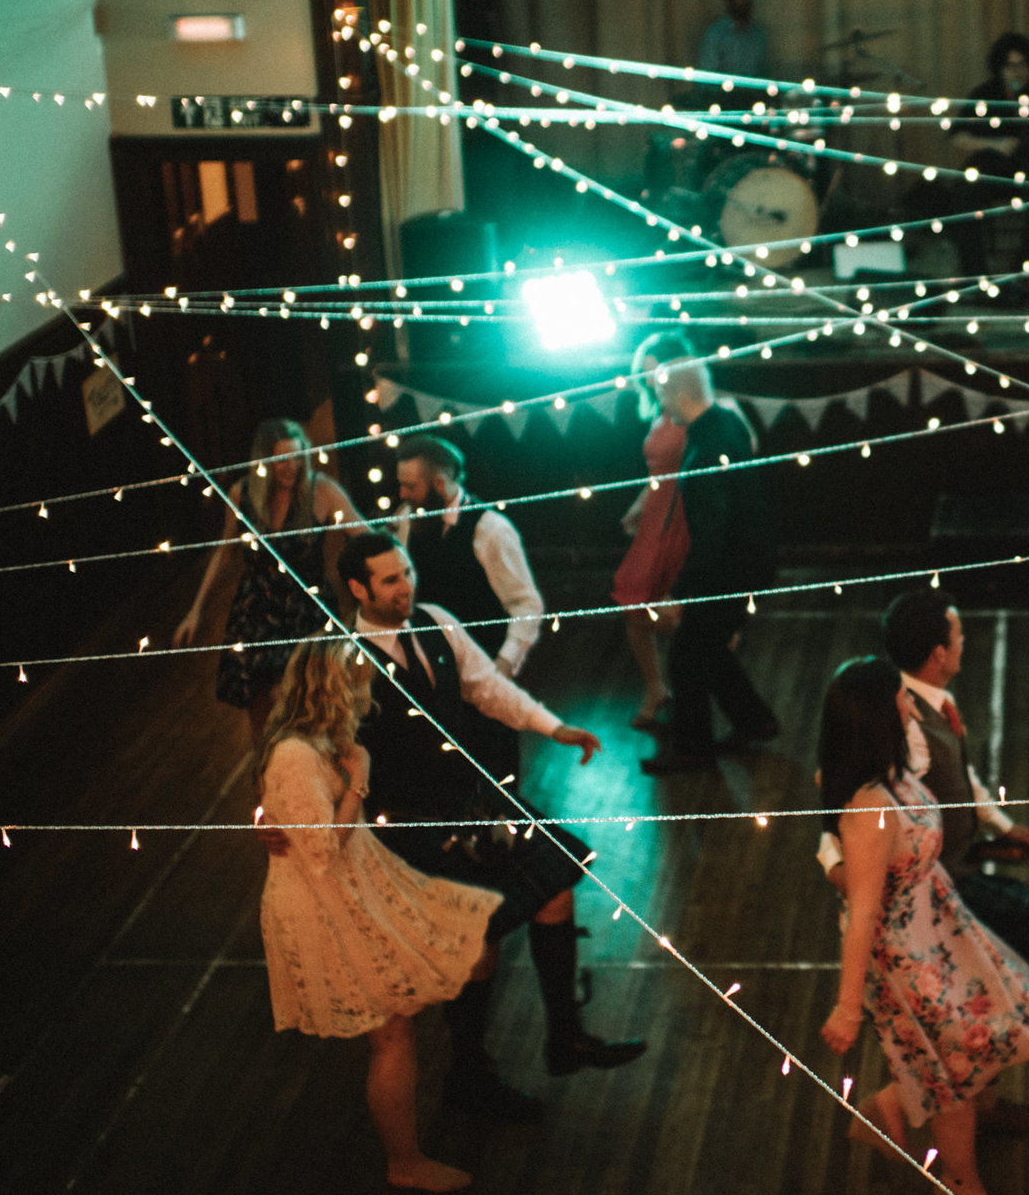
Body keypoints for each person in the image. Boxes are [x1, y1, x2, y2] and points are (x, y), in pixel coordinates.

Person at [333, 530, 645, 1117]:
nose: (407, 587)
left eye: (407, 572)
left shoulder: (436, 620)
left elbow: (486, 687)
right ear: (358, 588)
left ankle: (565, 1036)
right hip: (410, 822)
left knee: (555, 889)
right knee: (478, 945)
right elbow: (327, 747)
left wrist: (555, 728)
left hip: (471, 797)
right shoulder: (342, 657)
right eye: (391, 579)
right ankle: (470, 1076)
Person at [817, 657, 1029, 1195]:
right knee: (953, 1074)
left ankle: (887, 1112)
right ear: (881, 716)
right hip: (905, 956)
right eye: (901, 700)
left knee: (981, 1043)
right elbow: (862, 912)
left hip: (937, 928)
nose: (911, 705)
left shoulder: (895, 773)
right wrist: (848, 1004)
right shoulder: (871, 808)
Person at [255, 635, 500, 1190]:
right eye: (362, 684)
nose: (370, 695)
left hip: (355, 886)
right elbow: (320, 850)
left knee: (467, 951)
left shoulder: (318, 739)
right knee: (392, 1033)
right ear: (337, 687)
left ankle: (458, 1088)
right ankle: (405, 1162)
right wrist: (359, 778)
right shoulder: (299, 752)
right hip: (324, 902)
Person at [173, 417, 360, 751]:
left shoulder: (323, 491)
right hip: (257, 612)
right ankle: (268, 788)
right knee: (263, 716)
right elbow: (224, 553)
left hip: (309, 612)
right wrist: (195, 612)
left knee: (316, 707)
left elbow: (364, 538)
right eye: (281, 460)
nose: (292, 467)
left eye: (298, 457)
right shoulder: (242, 494)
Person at [646, 358, 779, 775]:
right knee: (709, 648)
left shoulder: (704, 453)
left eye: (663, 393)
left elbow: (710, 538)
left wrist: (680, 593)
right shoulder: (727, 421)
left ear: (682, 395)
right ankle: (756, 721)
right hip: (752, 560)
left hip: (731, 569)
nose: (661, 402)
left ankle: (692, 751)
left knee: (686, 657)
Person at [393, 436, 544, 677]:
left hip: (481, 667)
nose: (401, 494)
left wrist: (504, 665)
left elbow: (527, 604)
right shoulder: (405, 520)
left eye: (410, 486)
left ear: (439, 484)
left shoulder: (491, 530)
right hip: (428, 665)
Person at [943, 32, 1029, 277]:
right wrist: (993, 143)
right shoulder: (985, 94)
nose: (1017, 72)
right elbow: (957, 136)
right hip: (993, 167)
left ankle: (1022, 271)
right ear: (1000, 67)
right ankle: (974, 272)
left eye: (1023, 65)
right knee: (963, 194)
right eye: (1011, 66)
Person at [614, 333, 696, 731]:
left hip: (681, 519)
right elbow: (656, 476)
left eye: (655, 373)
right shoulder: (659, 411)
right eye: (644, 374)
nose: (648, 381)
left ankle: (708, 662)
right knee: (634, 605)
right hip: (655, 517)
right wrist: (637, 508)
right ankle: (656, 687)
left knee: (666, 607)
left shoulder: (694, 413)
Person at [696, 0, 770, 81]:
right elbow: (706, 80)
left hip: (755, 97)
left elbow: (766, 77)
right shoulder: (715, 35)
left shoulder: (759, 36)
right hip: (722, 97)